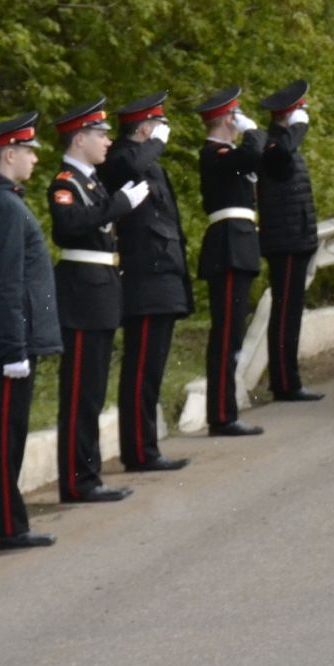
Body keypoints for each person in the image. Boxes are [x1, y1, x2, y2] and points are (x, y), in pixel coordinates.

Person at [0, 111, 60, 550]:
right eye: (29, 151)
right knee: (3, 438)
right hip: (6, 346)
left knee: (10, 435)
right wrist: (13, 347)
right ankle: (4, 527)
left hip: (10, 342)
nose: (35, 159)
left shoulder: (5, 201)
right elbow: (4, 283)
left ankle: (8, 522)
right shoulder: (3, 206)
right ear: (10, 154)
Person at [47, 99, 149, 504]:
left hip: (101, 289)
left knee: (92, 391)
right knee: (80, 392)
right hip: (82, 292)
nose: (108, 141)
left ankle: (87, 474)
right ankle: (77, 480)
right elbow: (69, 228)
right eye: (100, 134)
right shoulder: (64, 183)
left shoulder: (90, 180)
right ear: (80, 138)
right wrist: (120, 206)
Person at [102, 92, 192, 472]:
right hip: (142, 278)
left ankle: (146, 446)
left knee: (151, 368)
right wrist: (155, 142)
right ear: (143, 127)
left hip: (163, 275)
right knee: (140, 369)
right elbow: (128, 165)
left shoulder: (146, 162)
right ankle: (139, 450)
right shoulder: (122, 156)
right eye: (156, 125)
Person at [197, 85, 266, 436]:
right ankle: (221, 415)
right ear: (229, 119)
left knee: (233, 334)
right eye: (235, 117)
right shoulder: (214, 153)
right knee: (226, 335)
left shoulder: (229, 152)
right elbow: (253, 153)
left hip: (239, 244)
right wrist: (252, 130)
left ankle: (225, 411)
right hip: (227, 247)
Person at [259, 79, 324, 403]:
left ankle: (288, 379)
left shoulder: (282, 145)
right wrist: (296, 128)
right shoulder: (274, 145)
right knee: (285, 313)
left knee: (291, 312)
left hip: (294, 238)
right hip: (283, 241)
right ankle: (285, 382)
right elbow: (283, 151)